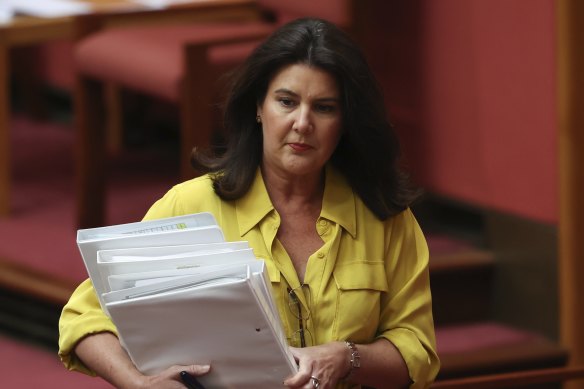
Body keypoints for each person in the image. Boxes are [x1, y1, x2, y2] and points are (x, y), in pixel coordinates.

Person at [59, 17, 440, 389]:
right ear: (258, 107)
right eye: (286, 102)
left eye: (324, 107)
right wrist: (138, 383)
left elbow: (417, 353)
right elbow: (83, 318)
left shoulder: (384, 215)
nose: (303, 123)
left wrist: (348, 357)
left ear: (346, 121)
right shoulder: (191, 205)